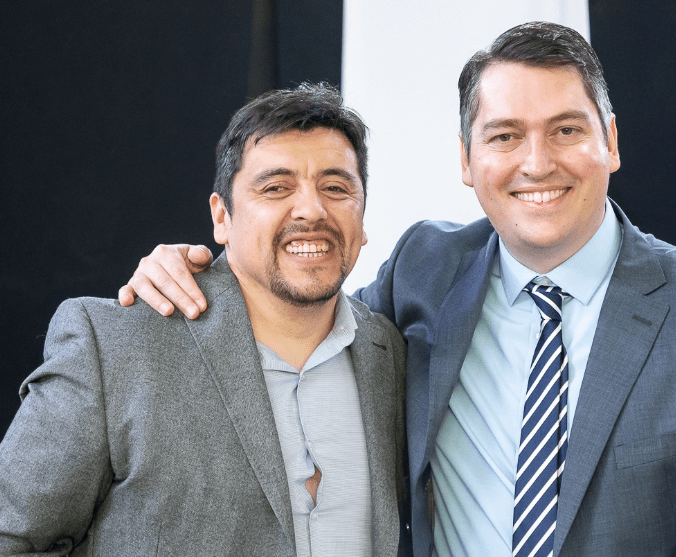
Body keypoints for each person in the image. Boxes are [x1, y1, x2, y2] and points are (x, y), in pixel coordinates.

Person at [118, 22, 676, 556]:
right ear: (466, 159)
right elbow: (300, 328)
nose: (536, 163)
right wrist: (200, 274)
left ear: (610, 141)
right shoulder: (425, 269)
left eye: (566, 130)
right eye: (505, 136)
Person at [0, 84, 409, 557]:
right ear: (222, 217)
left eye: (336, 189)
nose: (311, 210)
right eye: (275, 187)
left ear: (362, 217)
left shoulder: (390, 356)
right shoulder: (113, 347)